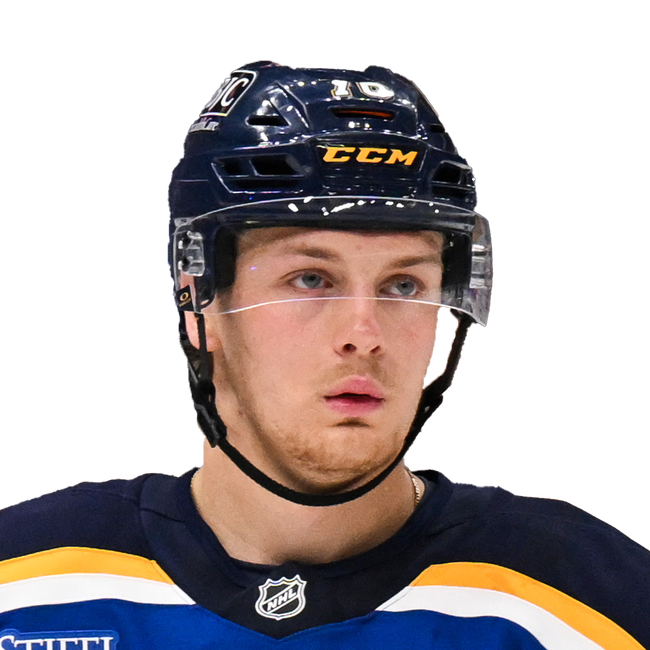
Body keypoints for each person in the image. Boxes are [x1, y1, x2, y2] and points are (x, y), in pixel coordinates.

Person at [1, 61, 647, 650]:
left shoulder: (592, 600)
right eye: (311, 278)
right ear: (200, 302)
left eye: (404, 285)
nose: (364, 334)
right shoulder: (23, 585)